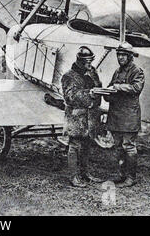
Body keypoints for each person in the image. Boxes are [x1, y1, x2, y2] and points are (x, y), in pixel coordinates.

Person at [61, 46, 104, 188]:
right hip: (76, 116)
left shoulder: (91, 72)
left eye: (91, 61)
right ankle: (74, 177)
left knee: (87, 145)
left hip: (90, 116)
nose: (90, 64)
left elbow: (98, 86)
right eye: (87, 62)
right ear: (79, 61)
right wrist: (89, 93)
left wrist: (98, 90)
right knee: (74, 145)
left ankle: (85, 173)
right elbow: (69, 97)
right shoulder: (68, 76)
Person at [104, 42, 145, 188]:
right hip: (116, 115)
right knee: (118, 146)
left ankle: (131, 177)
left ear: (129, 56)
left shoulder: (137, 71)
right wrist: (105, 93)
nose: (120, 58)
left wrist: (116, 87)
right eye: (118, 55)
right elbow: (110, 87)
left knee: (129, 146)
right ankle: (122, 174)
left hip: (129, 115)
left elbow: (136, 88)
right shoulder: (117, 71)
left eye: (123, 55)